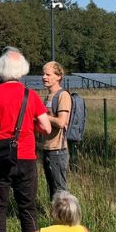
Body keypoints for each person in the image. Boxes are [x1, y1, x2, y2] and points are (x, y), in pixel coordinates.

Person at [0, 48, 51, 232]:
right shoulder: (31, 95)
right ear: (22, 71)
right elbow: (46, 128)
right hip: (26, 156)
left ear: (1, 70)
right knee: (27, 206)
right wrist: (29, 126)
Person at [39, 61, 72, 201]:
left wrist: (43, 116)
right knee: (51, 189)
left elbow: (61, 122)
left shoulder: (63, 95)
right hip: (47, 148)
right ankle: (54, 218)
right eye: (43, 74)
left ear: (58, 76)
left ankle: (64, 219)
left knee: (60, 192)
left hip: (58, 150)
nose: (44, 77)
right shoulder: (48, 97)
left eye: (48, 74)